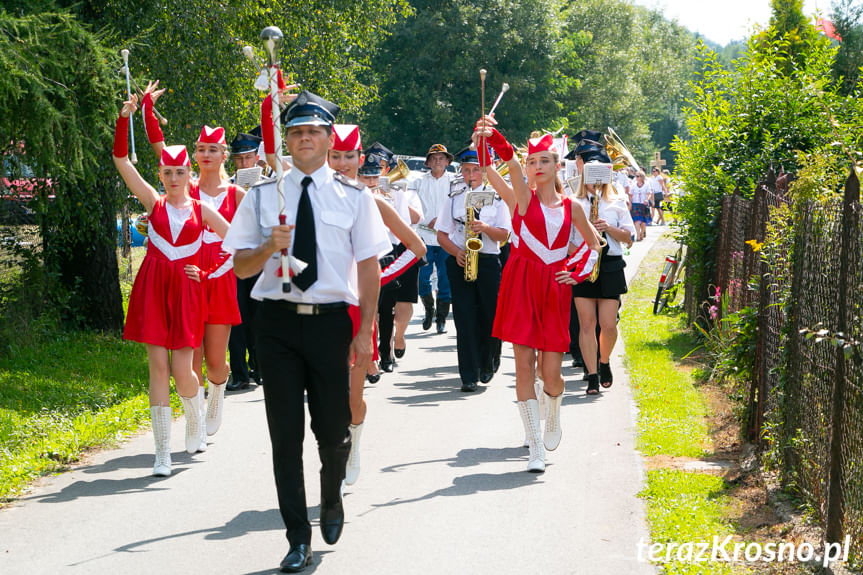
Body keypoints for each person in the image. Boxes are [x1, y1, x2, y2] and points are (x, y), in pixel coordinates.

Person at [223, 90, 390, 573]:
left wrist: (364, 332)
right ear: (287, 141)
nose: (304, 139)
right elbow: (239, 267)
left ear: (328, 138)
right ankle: (298, 536)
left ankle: (332, 496)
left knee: (332, 428)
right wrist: (268, 247)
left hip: (331, 323)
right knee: (284, 434)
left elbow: (369, 266)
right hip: (274, 323)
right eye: (296, 132)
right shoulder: (261, 196)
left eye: (313, 131)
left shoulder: (355, 196)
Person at [475, 117, 601, 473]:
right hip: (520, 286)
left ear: (557, 165)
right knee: (524, 369)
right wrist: (487, 135)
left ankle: (554, 410)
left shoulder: (571, 207)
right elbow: (499, 165)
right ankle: (534, 446)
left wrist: (574, 272)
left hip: (554, 290)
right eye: (532, 161)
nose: (537, 166)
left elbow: (593, 244)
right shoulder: (520, 200)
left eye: (544, 160)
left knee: (553, 374)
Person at [113, 93, 229, 477]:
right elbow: (122, 161)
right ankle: (161, 453)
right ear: (160, 175)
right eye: (167, 173)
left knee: (184, 369)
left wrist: (210, 274)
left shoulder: (201, 208)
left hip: (186, 292)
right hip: (153, 289)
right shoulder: (153, 202)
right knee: (157, 369)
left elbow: (235, 243)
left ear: (188, 175)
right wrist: (124, 118)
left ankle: (195, 420)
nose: (174, 178)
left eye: (180, 172)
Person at [140, 83, 242, 441]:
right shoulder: (186, 186)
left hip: (220, 275)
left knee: (216, 361)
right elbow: (160, 151)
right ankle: (194, 420)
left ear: (224, 154)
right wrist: (148, 113)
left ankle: (217, 391)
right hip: (189, 274)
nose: (205, 155)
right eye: (200, 149)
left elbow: (243, 239)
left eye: (212, 149)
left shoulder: (236, 193)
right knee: (190, 355)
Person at [328, 124, 426, 486]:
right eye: (334, 156)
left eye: (348, 157)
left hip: (357, 310)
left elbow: (417, 247)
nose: (341, 164)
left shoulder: (371, 200)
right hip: (320, 309)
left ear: (360, 159)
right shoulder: (310, 196)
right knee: (325, 398)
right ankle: (332, 457)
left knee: (353, 398)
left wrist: (380, 276)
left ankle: (353, 444)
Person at [435, 147, 510, 392]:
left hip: (487, 260)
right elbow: (442, 233)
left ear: (484, 171)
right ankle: (468, 373)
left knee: (489, 314)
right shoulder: (455, 196)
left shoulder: (497, 197)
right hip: (461, 260)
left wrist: (485, 227)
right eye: (466, 170)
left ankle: (488, 362)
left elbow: (504, 235)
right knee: (464, 318)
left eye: (476, 170)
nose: (470, 175)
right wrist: (456, 253)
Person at [570, 141, 636, 395]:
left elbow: (629, 238)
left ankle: (604, 361)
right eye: (590, 177)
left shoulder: (616, 201)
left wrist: (608, 228)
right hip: (583, 263)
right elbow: (566, 239)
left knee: (608, 324)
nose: (594, 183)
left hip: (609, 264)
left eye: (599, 177)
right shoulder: (573, 202)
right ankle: (592, 375)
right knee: (586, 324)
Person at [359, 145, 422, 373]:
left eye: (375, 175)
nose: (370, 180)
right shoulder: (353, 194)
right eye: (365, 176)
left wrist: (383, 206)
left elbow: (403, 228)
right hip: (362, 254)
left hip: (387, 253)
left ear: (383, 173)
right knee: (367, 309)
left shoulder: (395, 192)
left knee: (386, 309)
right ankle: (368, 356)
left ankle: (385, 354)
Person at [227, 132, 264, 391]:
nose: (243, 164)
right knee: (236, 317)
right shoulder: (227, 186)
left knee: (260, 317)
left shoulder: (270, 185)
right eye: (238, 159)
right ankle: (239, 372)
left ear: (257, 158)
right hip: (235, 260)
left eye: (248, 158)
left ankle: (261, 367)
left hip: (262, 259)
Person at [415, 144, 454, 334]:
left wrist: (442, 221)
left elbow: (459, 207)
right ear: (428, 162)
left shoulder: (454, 182)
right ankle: (429, 309)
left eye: (441, 158)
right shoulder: (419, 182)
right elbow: (412, 207)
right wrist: (426, 222)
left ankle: (441, 319)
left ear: (447, 162)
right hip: (424, 235)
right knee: (422, 279)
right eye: (434, 158)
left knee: (446, 280)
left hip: (447, 237)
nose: (438, 161)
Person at [629, 170, 652, 241]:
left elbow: (649, 193)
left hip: (643, 204)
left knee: (643, 221)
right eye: (636, 176)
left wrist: (647, 200)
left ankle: (642, 232)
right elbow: (630, 194)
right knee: (636, 220)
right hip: (635, 204)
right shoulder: (633, 184)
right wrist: (630, 203)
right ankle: (638, 236)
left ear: (642, 177)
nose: (636, 177)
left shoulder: (647, 184)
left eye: (638, 176)